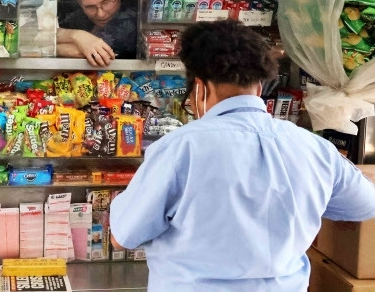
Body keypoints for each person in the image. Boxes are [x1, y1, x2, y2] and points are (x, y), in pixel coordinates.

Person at [109, 20, 375, 291]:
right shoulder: (313, 149)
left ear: (201, 88)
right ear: (259, 87)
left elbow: (122, 237)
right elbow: (366, 204)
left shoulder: (179, 149)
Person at [57, 0, 137, 67]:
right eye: (90, 7)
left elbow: (86, 52)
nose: (100, 14)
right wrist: (75, 35)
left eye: (106, 2)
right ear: (81, 4)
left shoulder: (131, 17)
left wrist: (49, 46)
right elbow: (47, 33)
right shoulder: (81, 15)